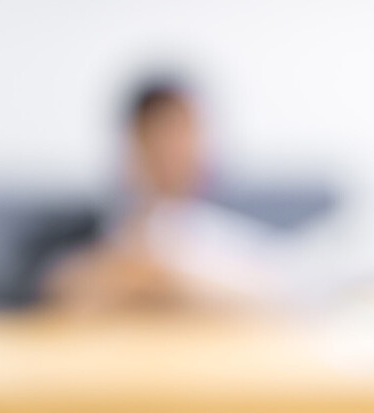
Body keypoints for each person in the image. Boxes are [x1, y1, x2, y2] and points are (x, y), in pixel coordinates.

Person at [43, 79, 279, 316]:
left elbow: (274, 296)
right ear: (135, 144)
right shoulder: (83, 233)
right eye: (162, 136)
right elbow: (49, 290)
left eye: (186, 136)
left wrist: (170, 280)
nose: (176, 152)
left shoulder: (225, 237)